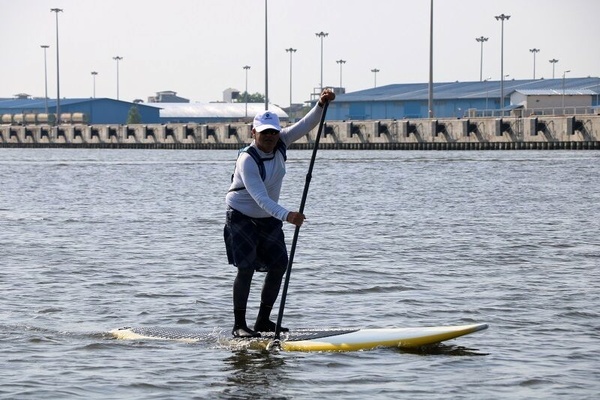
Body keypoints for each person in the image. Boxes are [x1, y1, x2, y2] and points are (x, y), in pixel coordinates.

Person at [224, 88, 336, 338]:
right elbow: (260, 198)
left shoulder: (282, 142)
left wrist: (320, 103)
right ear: (253, 133)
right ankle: (239, 326)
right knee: (246, 268)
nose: (270, 137)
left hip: (268, 218)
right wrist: (288, 215)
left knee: (278, 266)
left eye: (274, 132)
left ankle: (263, 320)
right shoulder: (247, 160)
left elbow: (307, 124)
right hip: (242, 215)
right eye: (264, 133)